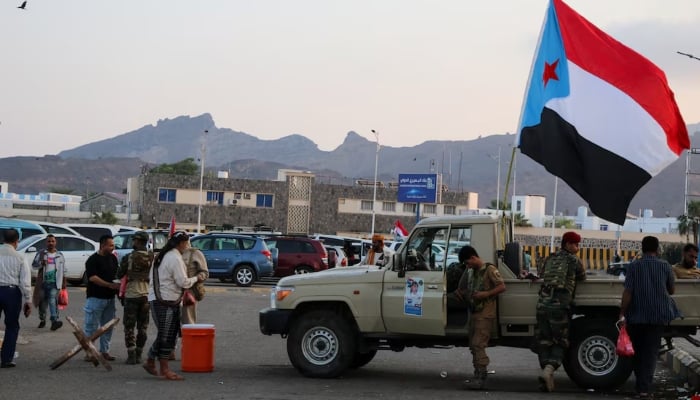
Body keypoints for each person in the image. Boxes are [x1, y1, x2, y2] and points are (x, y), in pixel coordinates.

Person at [619, 236, 681, 399]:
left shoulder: (634, 266)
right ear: (657, 249)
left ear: (642, 248)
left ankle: (640, 388)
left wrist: (622, 312)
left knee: (637, 352)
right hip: (658, 315)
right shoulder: (665, 266)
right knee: (651, 353)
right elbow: (672, 291)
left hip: (636, 315)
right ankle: (644, 389)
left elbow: (628, 292)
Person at [143, 231, 203, 381]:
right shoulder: (175, 258)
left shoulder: (161, 256)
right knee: (167, 336)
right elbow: (183, 282)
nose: (188, 246)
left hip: (158, 298)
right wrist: (196, 278)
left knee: (166, 333)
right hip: (166, 301)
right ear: (182, 243)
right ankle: (165, 369)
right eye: (187, 243)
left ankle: (151, 361)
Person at [534, 231, 586, 392]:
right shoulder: (573, 260)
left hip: (542, 305)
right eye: (576, 244)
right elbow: (582, 277)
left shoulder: (550, 257)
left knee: (544, 340)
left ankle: (545, 375)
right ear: (568, 244)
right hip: (559, 307)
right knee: (560, 341)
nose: (577, 248)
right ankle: (549, 370)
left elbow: (542, 275)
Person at [460, 245, 505, 390]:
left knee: (478, 344)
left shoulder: (489, 269)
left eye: (468, 262)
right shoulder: (472, 271)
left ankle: (481, 376)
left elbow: (502, 286)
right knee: (473, 345)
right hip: (475, 312)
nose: (467, 266)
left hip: (485, 314)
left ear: (473, 258)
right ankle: (477, 373)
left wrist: (485, 294)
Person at [116, 231, 153, 364]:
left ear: (137, 241)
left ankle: (131, 354)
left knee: (129, 326)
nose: (133, 243)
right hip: (146, 296)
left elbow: (120, 274)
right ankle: (139, 353)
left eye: (134, 240)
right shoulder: (152, 258)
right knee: (143, 327)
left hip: (131, 295)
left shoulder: (129, 257)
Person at [83, 234, 120, 361]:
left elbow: (117, 273)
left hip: (110, 299)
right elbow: (93, 278)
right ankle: (89, 352)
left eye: (113, 245)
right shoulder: (92, 260)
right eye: (110, 245)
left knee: (108, 326)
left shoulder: (113, 258)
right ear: (103, 245)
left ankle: (105, 351)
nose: (112, 248)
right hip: (95, 298)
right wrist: (109, 285)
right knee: (91, 326)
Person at [0, 229, 32, 368]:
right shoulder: (20, 257)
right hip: (12, 293)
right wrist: (28, 300)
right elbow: (25, 281)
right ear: (16, 241)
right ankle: (7, 358)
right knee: (12, 325)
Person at [31, 234, 67, 331]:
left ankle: (54, 321)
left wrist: (64, 283)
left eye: (52, 241)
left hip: (54, 283)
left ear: (55, 242)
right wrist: (40, 264)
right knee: (42, 305)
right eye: (49, 241)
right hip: (42, 284)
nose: (51, 243)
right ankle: (42, 319)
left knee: (52, 300)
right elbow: (34, 265)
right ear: (46, 243)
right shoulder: (41, 253)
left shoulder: (60, 255)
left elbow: (64, 270)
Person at [180, 245, 209, 325]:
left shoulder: (195, 253)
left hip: (188, 293)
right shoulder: (171, 253)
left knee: (188, 322)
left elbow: (205, 272)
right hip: (172, 293)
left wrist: (198, 277)